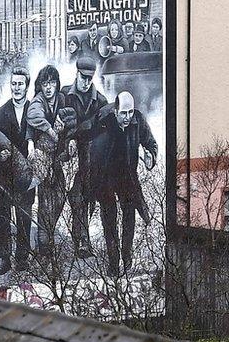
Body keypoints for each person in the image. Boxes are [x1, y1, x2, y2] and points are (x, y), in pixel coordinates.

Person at [80, 92, 158, 276]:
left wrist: (151, 156)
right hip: (105, 174)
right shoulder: (103, 118)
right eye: (123, 113)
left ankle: (127, 254)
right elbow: (83, 131)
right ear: (116, 111)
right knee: (109, 217)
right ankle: (113, 262)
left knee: (129, 213)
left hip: (126, 174)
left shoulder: (137, 120)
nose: (127, 117)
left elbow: (151, 143)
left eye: (130, 112)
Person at [61, 57, 108, 257]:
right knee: (75, 197)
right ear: (77, 73)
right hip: (67, 154)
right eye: (83, 77)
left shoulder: (101, 100)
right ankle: (80, 238)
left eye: (90, 78)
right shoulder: (64, 95)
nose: (86, 82)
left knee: (85, 197)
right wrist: (68, 140)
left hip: (90, 156)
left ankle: (82, 240)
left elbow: (104, 131)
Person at [26, 65, 75, 259]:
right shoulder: (38, 101)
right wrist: (51, 130)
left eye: (51, 83)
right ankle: (44, 249)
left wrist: (68, 133)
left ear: (56, 84)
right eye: (45, 83)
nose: (48, 88)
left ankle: (47, 237)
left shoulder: (61, 99)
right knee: (45, 203)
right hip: (43, 157)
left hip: (58, 158)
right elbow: (33, 115)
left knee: (61, 197)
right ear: (40, 85)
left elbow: (72, 119)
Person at [0, 67, 34, 275]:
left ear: (27, 86)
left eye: (20, 84)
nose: (17, 88)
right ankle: (4, 258)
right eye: (14, 84)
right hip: (3, 176)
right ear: (10, 86)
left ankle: (23, 258)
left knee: (24, 215)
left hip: (25, 176)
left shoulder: (35, 112)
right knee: (2, 217)